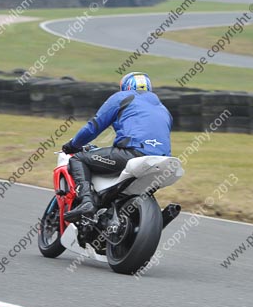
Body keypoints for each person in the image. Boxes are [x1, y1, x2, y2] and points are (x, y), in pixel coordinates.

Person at [62, 72, 172, 221]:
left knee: (79, 159)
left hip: (134, 153)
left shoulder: (122, 97)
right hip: (163, 161)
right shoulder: (163, 108)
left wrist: (73, 144)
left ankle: (86, 202)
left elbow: (94, 126)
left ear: (125, 86)